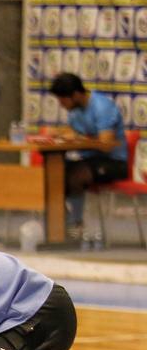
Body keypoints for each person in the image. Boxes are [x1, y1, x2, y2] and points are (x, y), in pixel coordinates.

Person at [46, 72, 128, 240]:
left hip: (113, 162)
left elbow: (106, 144)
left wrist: (78, 138)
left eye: (63, 100)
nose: (61, 105)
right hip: (88, 160)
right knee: (54, 175)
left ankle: (76, 224)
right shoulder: (75, 110)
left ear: (75, 95)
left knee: (76, 175)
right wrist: (59, 133)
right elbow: (73, 131)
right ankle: (62, 223)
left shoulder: (102, 107)